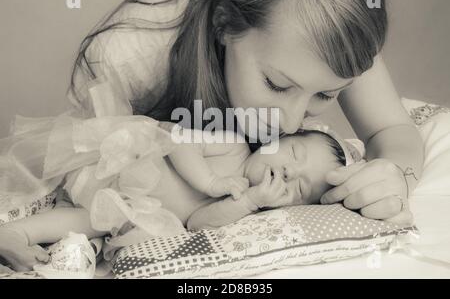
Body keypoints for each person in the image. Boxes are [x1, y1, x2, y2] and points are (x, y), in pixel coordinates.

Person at [66, 0, 422, 226]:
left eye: (325, 95)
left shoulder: (339, 20)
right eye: (277, 84)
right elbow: (95, 190)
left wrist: (396, 176)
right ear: (224, 24)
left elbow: (390, 129)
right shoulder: (125, 54)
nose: (289, 123)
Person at [0, 114, 358, 271]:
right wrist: (211, 183)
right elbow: (177, 140)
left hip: (124, 207)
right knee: (31, 170)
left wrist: (248, 202)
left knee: (88, 221)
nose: (289, 171)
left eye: (299, 187)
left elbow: (198, 221)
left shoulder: (249, 210)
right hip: (117, 163)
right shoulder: (233, 146)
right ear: (278, 139)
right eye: (294, 153)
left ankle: (15, 234)